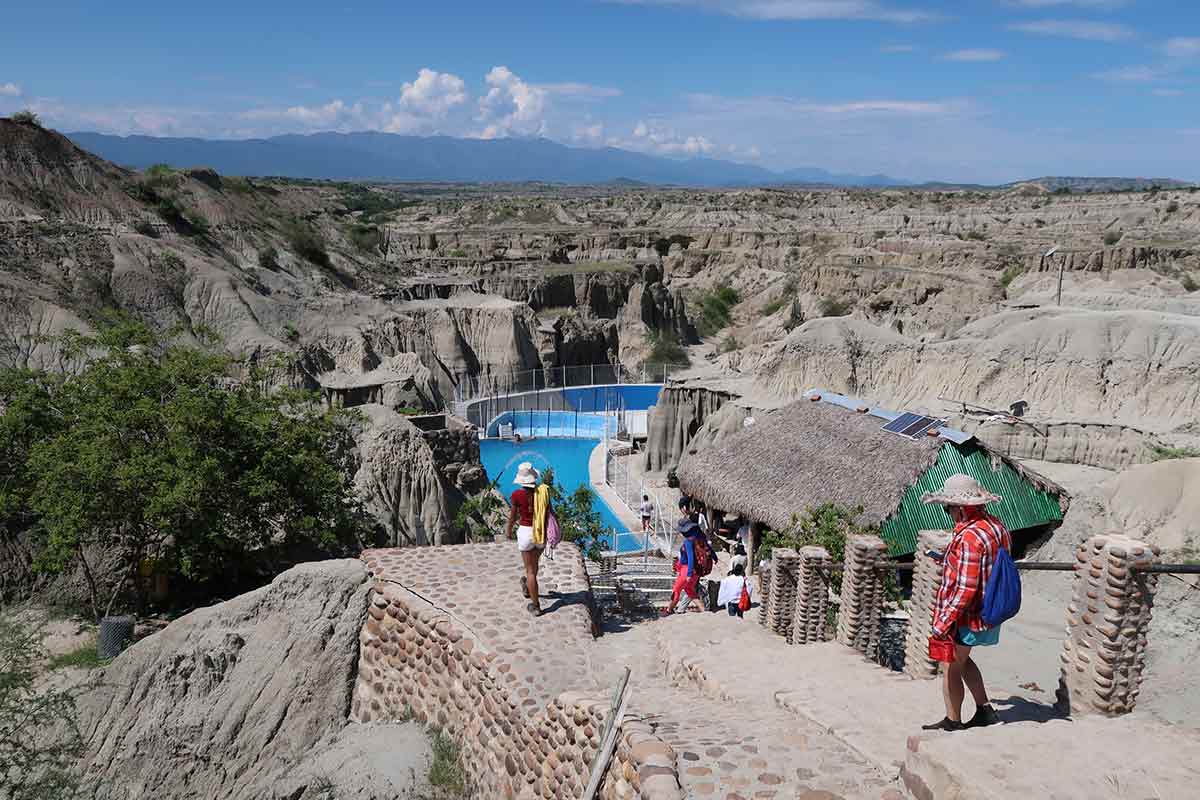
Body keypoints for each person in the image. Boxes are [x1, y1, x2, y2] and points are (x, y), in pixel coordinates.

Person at [919, 474, 1011, 732]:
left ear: (959, 508)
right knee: (963, 659)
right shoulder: (997, 526)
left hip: (970, 614)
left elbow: (967, 588)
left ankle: (953, 721)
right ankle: (984, 710)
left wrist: (942, 621)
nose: (947, 513)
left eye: (948, 508)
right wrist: (947, 558)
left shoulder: (970, 537)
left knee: (950, 664)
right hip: (990, 609)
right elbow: (986, 565)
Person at [505, 462, 547, 617]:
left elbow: (513, 516)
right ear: (534, 478)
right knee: (533, 567)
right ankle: (528, 587)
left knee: (530, 572)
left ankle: (536, 606)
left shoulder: (517, 495)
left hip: (525, 533)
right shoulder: (543, 493)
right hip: (540, 533)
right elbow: (549, 513)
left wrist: (508, 530)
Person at [661, 518, 715, 616]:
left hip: (687, 570)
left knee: (676, 590)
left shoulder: (688, 541)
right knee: (690, 591)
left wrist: (689, 573)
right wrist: (715, 557)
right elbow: (709, 548)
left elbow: (690, 558)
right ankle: (704, 610)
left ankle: (669, 609)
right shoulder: (700, 536)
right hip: (696, 571)